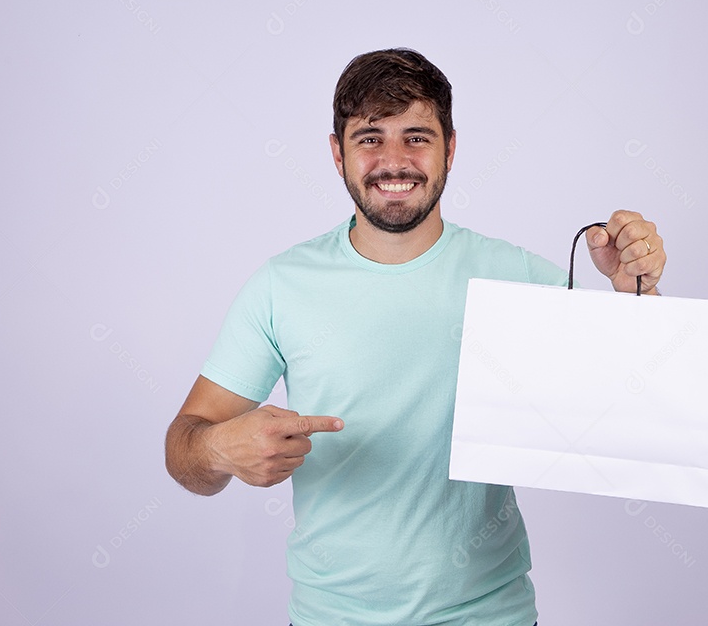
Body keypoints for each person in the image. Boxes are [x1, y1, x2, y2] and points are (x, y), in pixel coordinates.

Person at [164, 48, 666, 625]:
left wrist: (634, 294)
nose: (394, 161)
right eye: (371, 137)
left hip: (489, 614)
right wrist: (218, 449)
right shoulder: (281, 286)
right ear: (337, 154)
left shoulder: (514, 275)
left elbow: (636, 409)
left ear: (451, 148)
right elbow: (185, 448)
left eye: (417, 137)